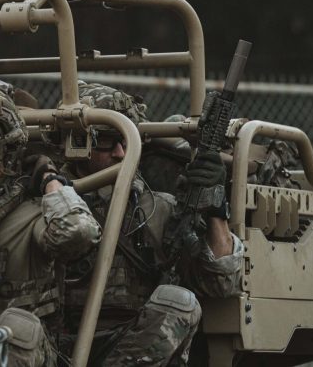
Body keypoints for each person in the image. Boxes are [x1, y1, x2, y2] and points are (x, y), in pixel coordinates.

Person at [59, 83, 244, 366]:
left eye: (128, 141)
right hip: (56, 345)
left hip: (130, 348)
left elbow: (222, 283)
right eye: (107, 140)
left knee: (179, 302)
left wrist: (216, 207)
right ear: (77, 141)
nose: (121, 153)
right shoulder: (48, 200)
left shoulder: (156, 209)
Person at [0, 84, 102, 367]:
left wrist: (50, 181)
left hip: (22, 352)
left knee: (16, 329)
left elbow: (79, 233)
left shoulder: (32, 211)